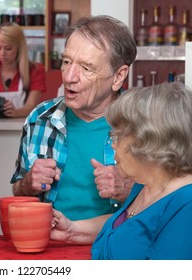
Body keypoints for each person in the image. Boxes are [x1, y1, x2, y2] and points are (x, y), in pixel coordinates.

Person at [11, 15, 136, 220]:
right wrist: (28, 183)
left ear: (118, 76)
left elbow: (174, 204)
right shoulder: (40, 118)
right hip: (49, 244)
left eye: (86, 68)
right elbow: (18, 192)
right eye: (66, 62)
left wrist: (130, 190)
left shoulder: (144, 125)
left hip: (115, 248)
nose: (69, 77)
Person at [51, 82, 192, 260]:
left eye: (117, 136)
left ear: (150, 140)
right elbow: (125, 227)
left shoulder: (186, 204)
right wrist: (72, 230)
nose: (113, 144)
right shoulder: (145, 185)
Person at [0, 22, 46, 118]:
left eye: (8, 48)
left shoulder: (35, 70)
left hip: (22, 128)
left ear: (19, 47)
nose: (2, 53)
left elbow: (31, 106)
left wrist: (16, 112)